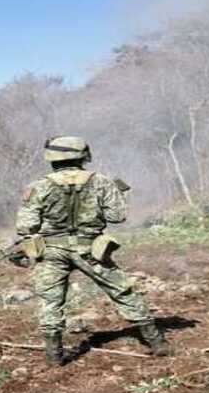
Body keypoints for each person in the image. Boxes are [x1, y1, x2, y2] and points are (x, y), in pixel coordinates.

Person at [15, 136, 171, 366]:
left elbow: (26, 227)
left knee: (51, 302)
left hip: (52, 251)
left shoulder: (38, 186)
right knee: (122, 291)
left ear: (51, 158)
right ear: (83, 155)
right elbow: (117, 216)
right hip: (90, 249)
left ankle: (54, 356)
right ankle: (157, 343)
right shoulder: (102, 181)